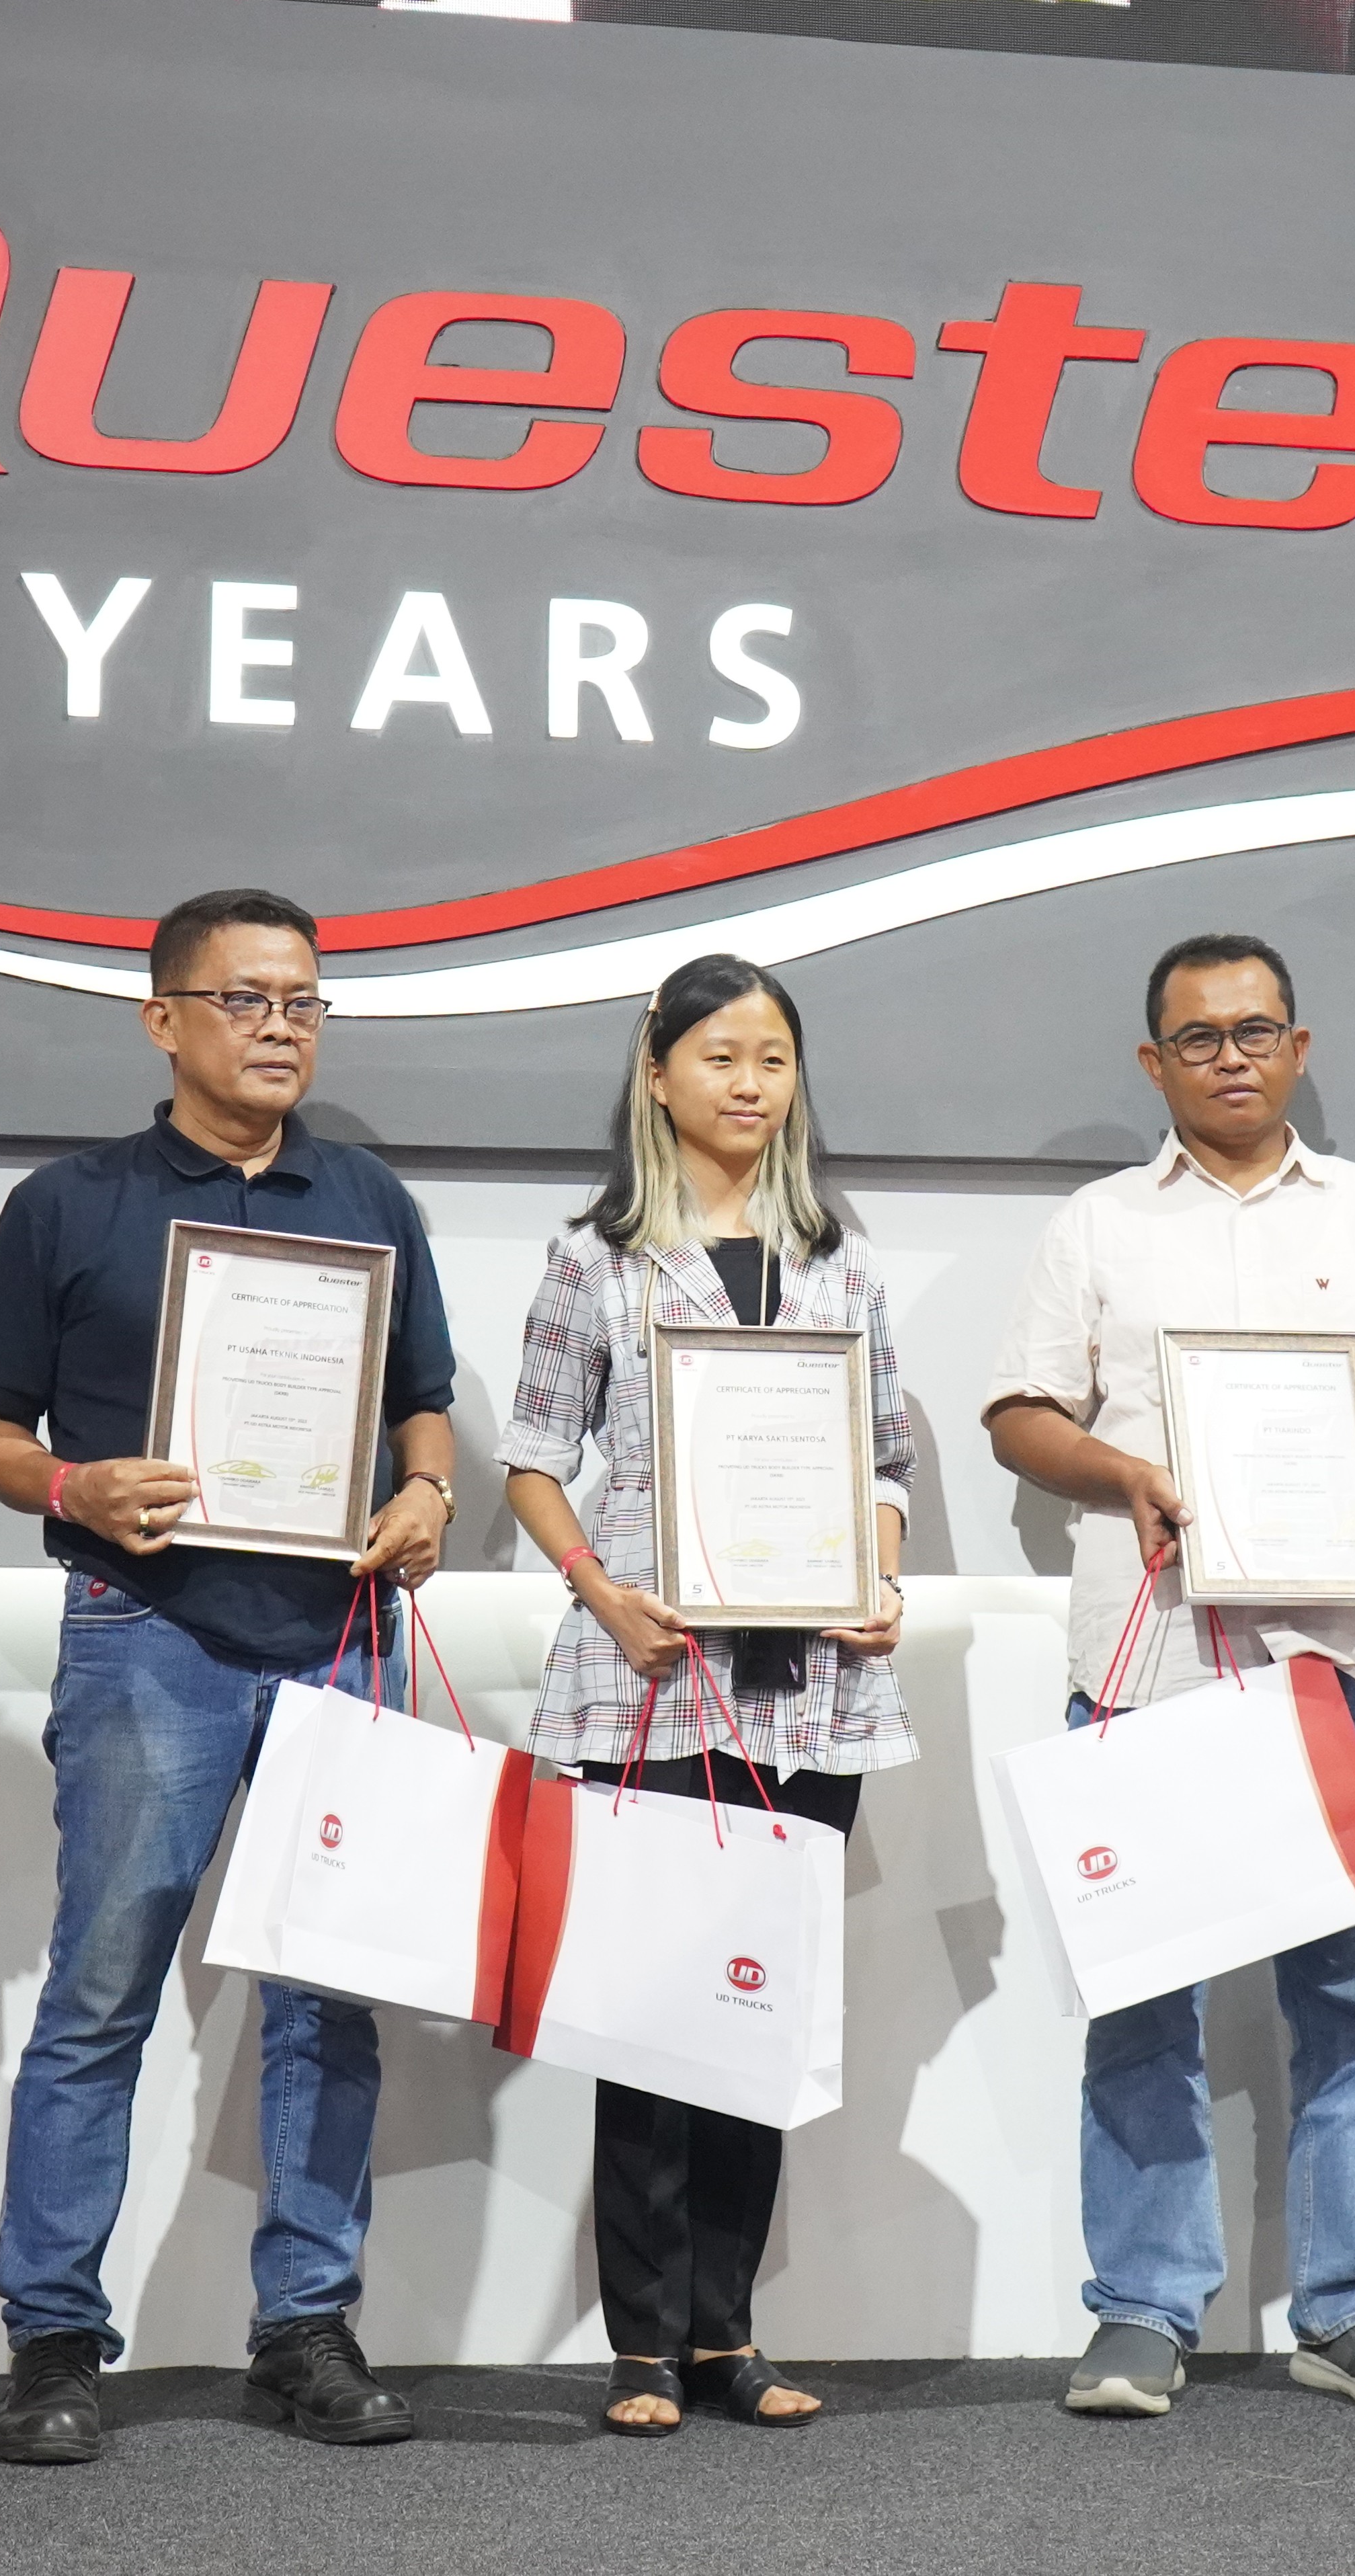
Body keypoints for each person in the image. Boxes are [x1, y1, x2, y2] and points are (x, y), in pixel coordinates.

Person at [0, 889, 460, 2464]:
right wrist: (74, 1486)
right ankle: (53, 2338)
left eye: (303, 1001)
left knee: (328, 1997)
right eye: (246, 999)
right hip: (146, 1628)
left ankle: (305, 2325)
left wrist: (429, 1490)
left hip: (342, 1633)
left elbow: (425, 1401)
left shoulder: (370, 1195)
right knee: (101, 1989)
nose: (279, 1026)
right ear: (163, 1018)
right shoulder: (69, 1203)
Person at [985, 932, 1355, 2421]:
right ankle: (1143, 2308)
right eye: (1199, 1037)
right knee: (1145, 1998)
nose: (1231, 1057)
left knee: (1351, 1998)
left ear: (1300, 1046)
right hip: (1150, 1659)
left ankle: (1350, 2304)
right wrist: (1125, 1473)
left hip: (1339, 1655)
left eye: (1256, 1031)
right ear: (1155, 1061)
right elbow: (1020, 1414)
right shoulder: (1099, 1222)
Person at [497, 955, 913, 2437]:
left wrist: (883, 1577)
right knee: (650, 2018)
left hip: (809, 1689)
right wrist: (599, 1591)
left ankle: (730, 2334)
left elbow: (884, 1461)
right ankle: (643, 2344)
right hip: (654, 1675)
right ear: (658, 1072)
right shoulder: (596, 1258)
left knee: (758, 2011)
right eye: (721, 1055)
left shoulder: (840, 1262)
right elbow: (533, 1457)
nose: (749, 1083)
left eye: (773, 1058)